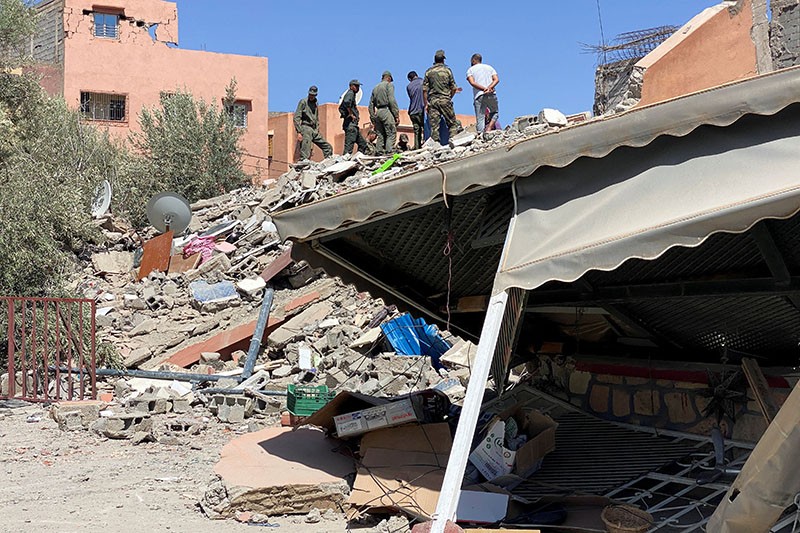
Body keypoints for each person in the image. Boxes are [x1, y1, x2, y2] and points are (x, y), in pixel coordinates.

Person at [423, 49, 462, 145]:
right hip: (445, 100)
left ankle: (435, 146)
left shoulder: (429, 72)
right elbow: (453, 88)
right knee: (452, 124)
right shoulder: (447, 71)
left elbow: (424, 90)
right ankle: (453, 142)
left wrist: (426, 104)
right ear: (443, 60)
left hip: (433, 102)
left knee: (434, 128)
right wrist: (449, 97)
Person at [293, 85, 332, 161]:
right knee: (305, 154)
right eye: (310, 94)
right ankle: (303, 168)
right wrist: (299, 132)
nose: (311, 96)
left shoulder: (316, 103)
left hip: (314, 130)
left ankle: (329, 163)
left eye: (313, 95)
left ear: (316, 95)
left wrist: (317, 129)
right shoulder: (303, 102)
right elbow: (296, 117)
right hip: (305, 128)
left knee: (328, 147)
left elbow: (316, 117)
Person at [368, 71, 400, 155]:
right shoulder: (389, 85)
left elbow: (370, 105)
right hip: (386, 111)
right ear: (389, 78)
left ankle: (379, 152)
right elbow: (391, 100)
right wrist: (396, 114)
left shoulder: (375, 88)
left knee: (380, 135)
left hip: (378, 112)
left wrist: (372, 117)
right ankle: (389, 153)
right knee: (391, 133)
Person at [466, 53, 499, 133]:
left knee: (480, 117)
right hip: (491, 94)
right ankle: (489, 128)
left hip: (479, 95)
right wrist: (489, 88)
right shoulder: (490, 67)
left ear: (473, 61)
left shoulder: (470, 70)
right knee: (495, 112)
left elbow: (472, 82)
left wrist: (484, 89)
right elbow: (496, 79)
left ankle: (481, 134)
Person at [339, 79, 369, 155]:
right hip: (350, 125)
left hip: (354, 126)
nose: (357, 88)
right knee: (349, 148)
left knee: (363, 144)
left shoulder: (352, 94)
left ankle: (358, 158)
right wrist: (351, 114)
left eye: (358, 86)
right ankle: (345, 163)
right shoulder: (350, 93)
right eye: (356, 86)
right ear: (351, 86)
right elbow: (346, 102)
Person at [406, 71, 424, 150]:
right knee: (427, 129)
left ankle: (417, 147)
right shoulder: (423, 82)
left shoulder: (409, 86)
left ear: (410, 79)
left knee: (417, 131)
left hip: (412, 111)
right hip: (421, 109)